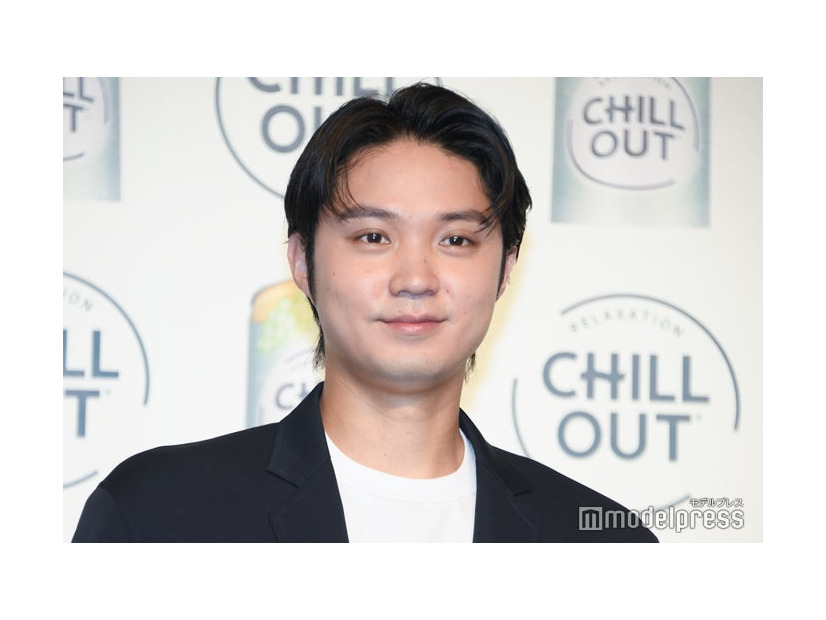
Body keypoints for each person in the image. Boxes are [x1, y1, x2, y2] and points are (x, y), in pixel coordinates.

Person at [73, 83, 657, 542]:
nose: (415, 279)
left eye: (456, 240)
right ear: (303, 262)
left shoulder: (599, 542)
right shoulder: (157, 513)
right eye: (374, 237)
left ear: (505, 269)